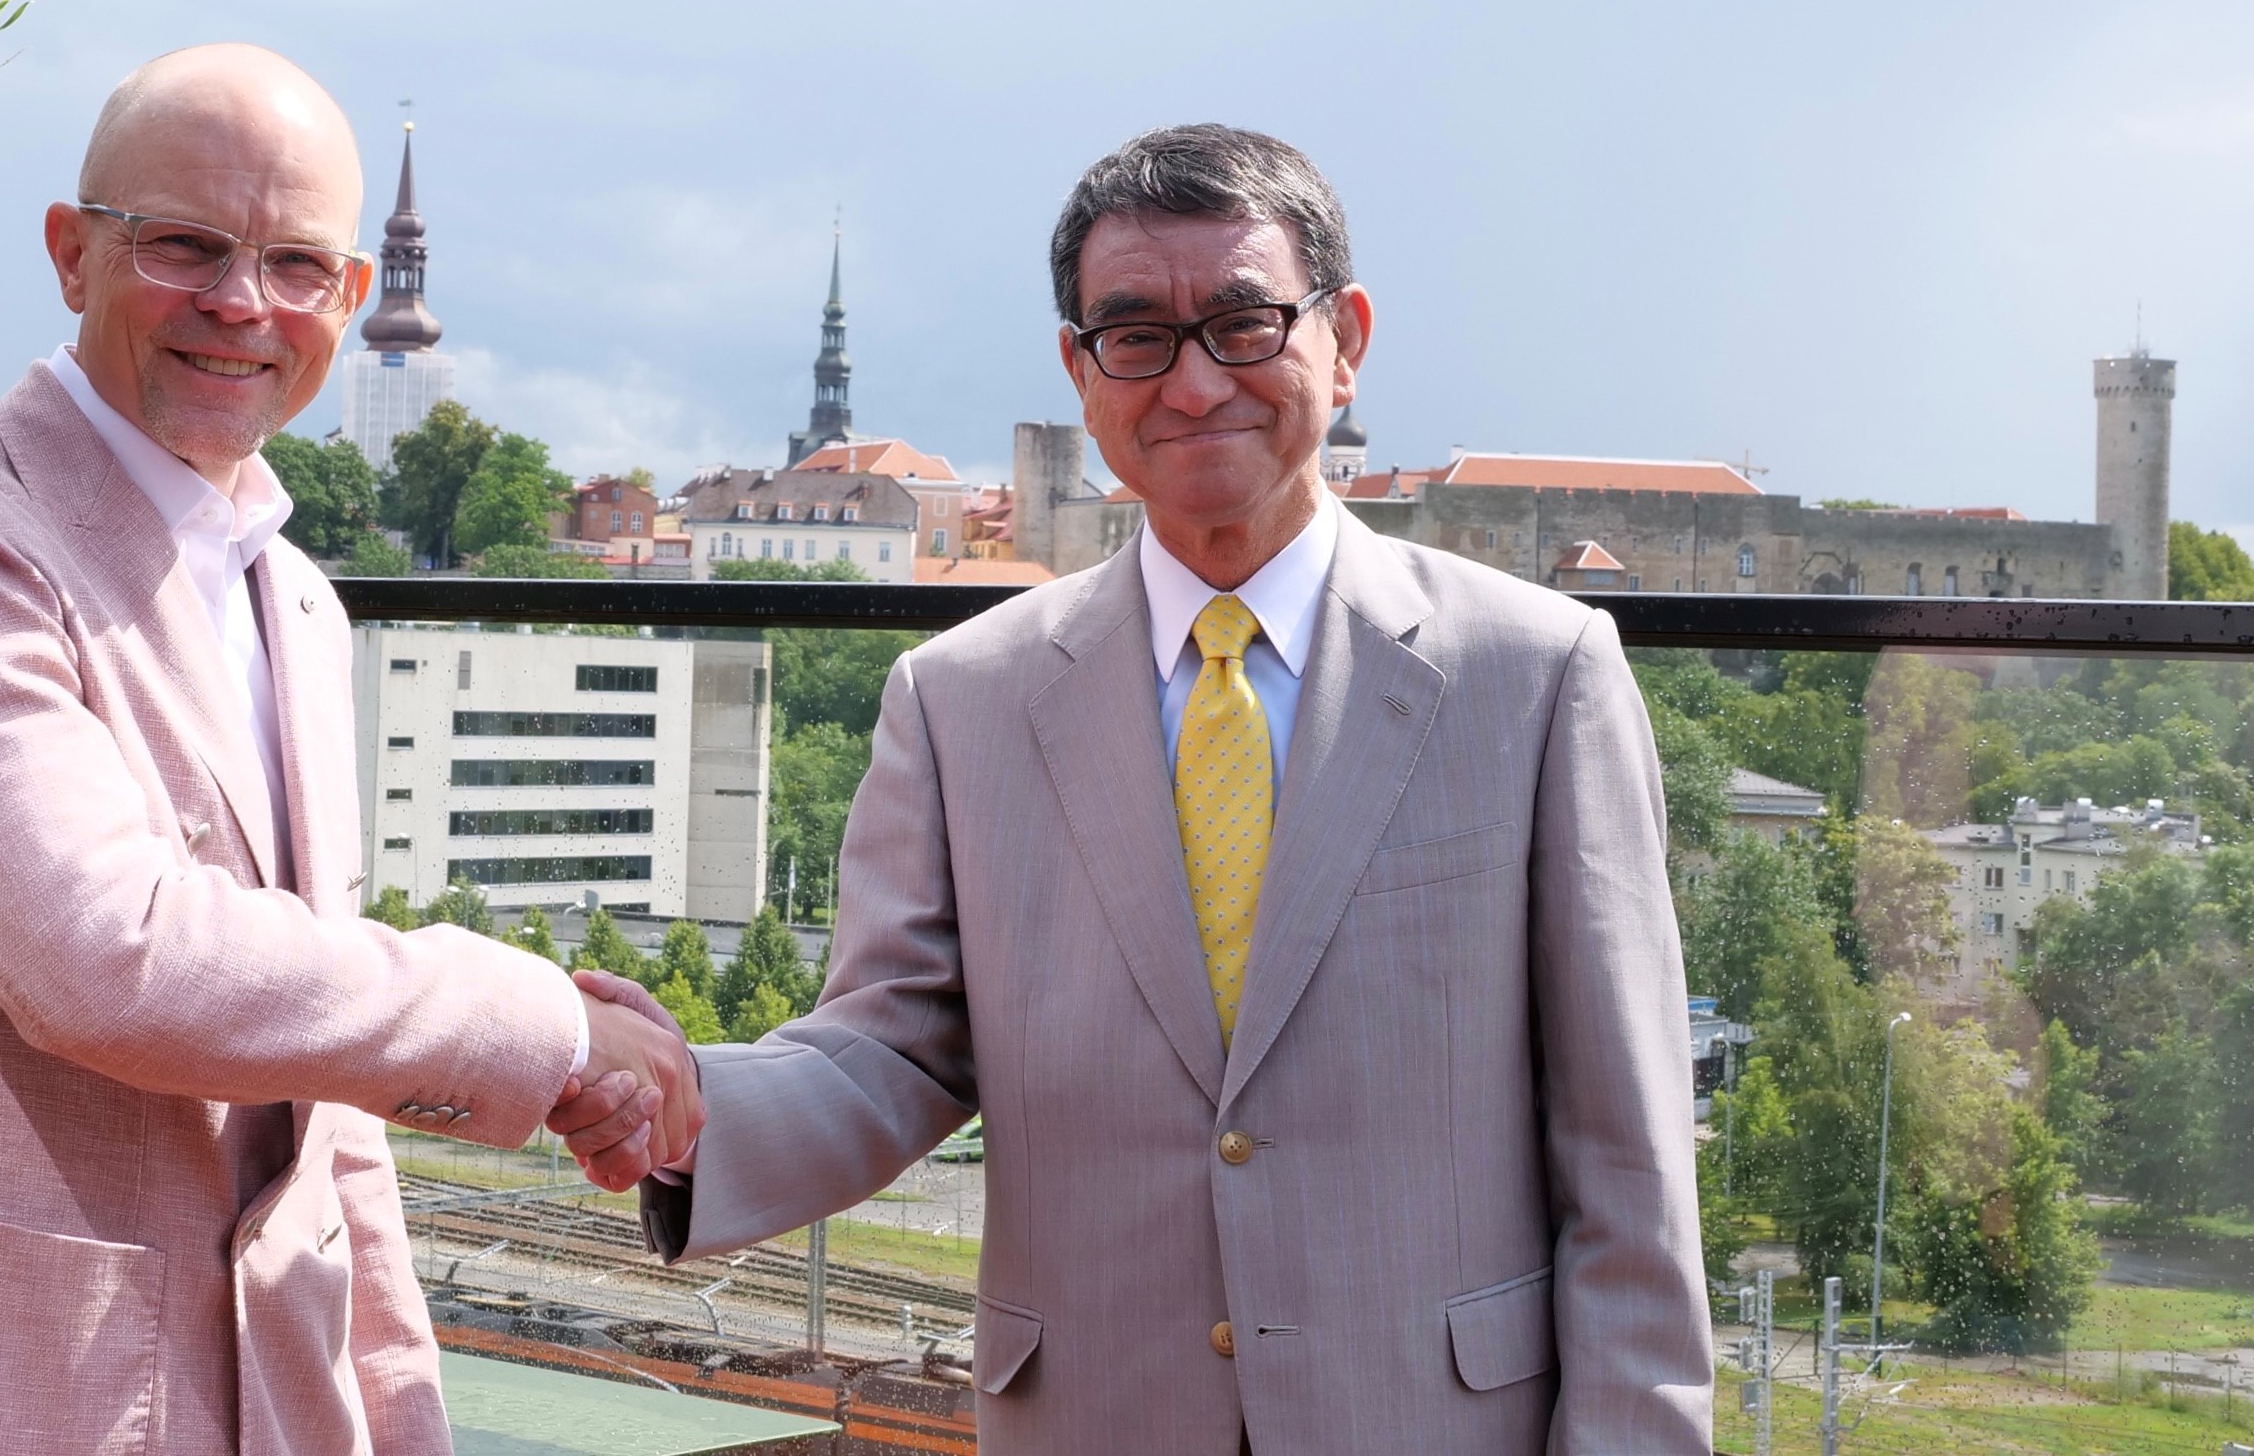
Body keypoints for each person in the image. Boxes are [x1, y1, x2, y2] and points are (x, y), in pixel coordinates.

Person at [586, 125, 1713, 1453]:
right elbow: (891, 1046)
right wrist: (678, 1106)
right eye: (1136, 334)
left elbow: (1624, 1160)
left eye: (1242, 322)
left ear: (1343, 338)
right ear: (1080, 369)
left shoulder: (1533, 676)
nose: (1192, 381)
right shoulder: (960, 699)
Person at [0, 44, 699, 1455]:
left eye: (295, 265)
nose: (240, 304)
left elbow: (325, 1095)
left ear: (354, 299)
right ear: (71, 254)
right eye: (185, 245)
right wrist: (543, 1026)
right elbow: (109, 958)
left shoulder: (298, 597)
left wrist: (397, 1413)